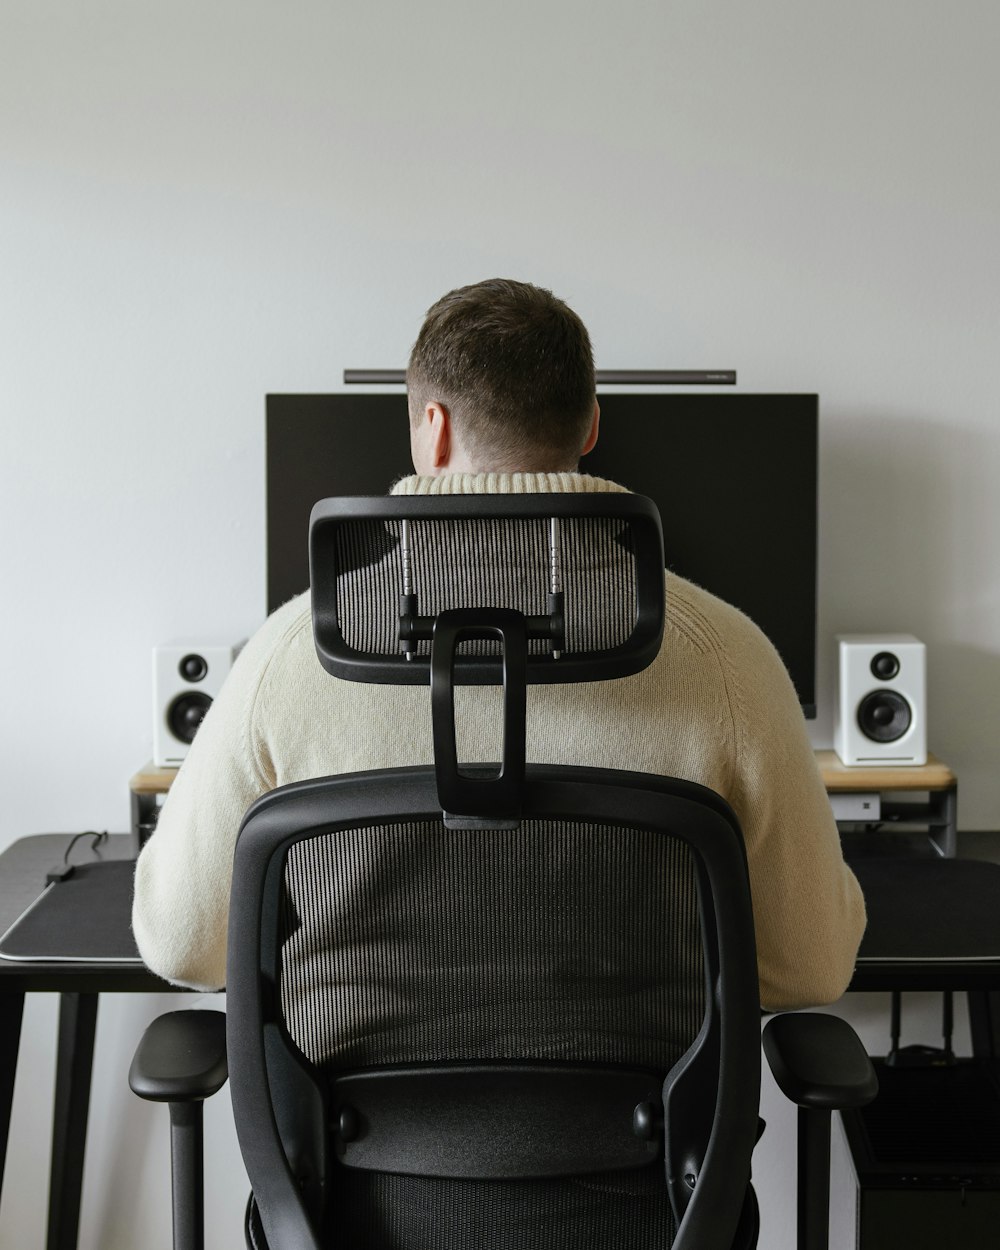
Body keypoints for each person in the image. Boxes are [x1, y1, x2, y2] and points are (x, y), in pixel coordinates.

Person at [132, 278, 865, 1016]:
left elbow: (182, 945)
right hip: (649, 1119)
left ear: (433, 428)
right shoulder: (727, 654)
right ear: (589, 429)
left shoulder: (290, 651)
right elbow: (810, 968)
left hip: (350, 1120)